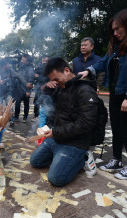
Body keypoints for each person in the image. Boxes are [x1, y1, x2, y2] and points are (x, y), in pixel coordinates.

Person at [78, 8, 127, 179]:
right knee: (116, 131)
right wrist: (88, 71)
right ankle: (116, 160)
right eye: (113, 30)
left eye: (117, 28)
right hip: (115, 93)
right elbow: (104, 62)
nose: (115, 32)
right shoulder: (116, 45)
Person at [30, 57, 98, 186]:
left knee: (56, 179)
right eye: (52, 80)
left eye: (56, 79)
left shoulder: (85, 90)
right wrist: (47, 89)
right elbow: (48, 108)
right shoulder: (61, 87)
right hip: (57, 137)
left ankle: (83, 158)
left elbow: (86, 124)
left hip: (75, 142)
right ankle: (61, 158)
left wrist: (56, 132)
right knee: (35, 162)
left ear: (67, 70)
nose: (55, 82)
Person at [12, 53, 34, 123]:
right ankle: (16, 117)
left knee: (26, 104)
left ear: (27, 61)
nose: (21, 61)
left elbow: (31, 81)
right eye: (21, 59)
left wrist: (28, 91)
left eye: (23, 60)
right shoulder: (19, 66)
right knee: (17, 104)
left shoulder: (30, 68)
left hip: (26, 90)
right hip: (18, 89)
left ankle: (25, 117)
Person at [32, 55, 49, 122]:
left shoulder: (49, 68)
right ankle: (36, 115)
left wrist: (39, 77)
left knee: (45, 102)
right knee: (36, 102)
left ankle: (46, 117)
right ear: (42, 59)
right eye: (44, 60)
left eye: (46, 61)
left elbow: (47, 77)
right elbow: (34, 76)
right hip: (38, 87)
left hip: (47, 87)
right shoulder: (38, 66)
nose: (45, 62)